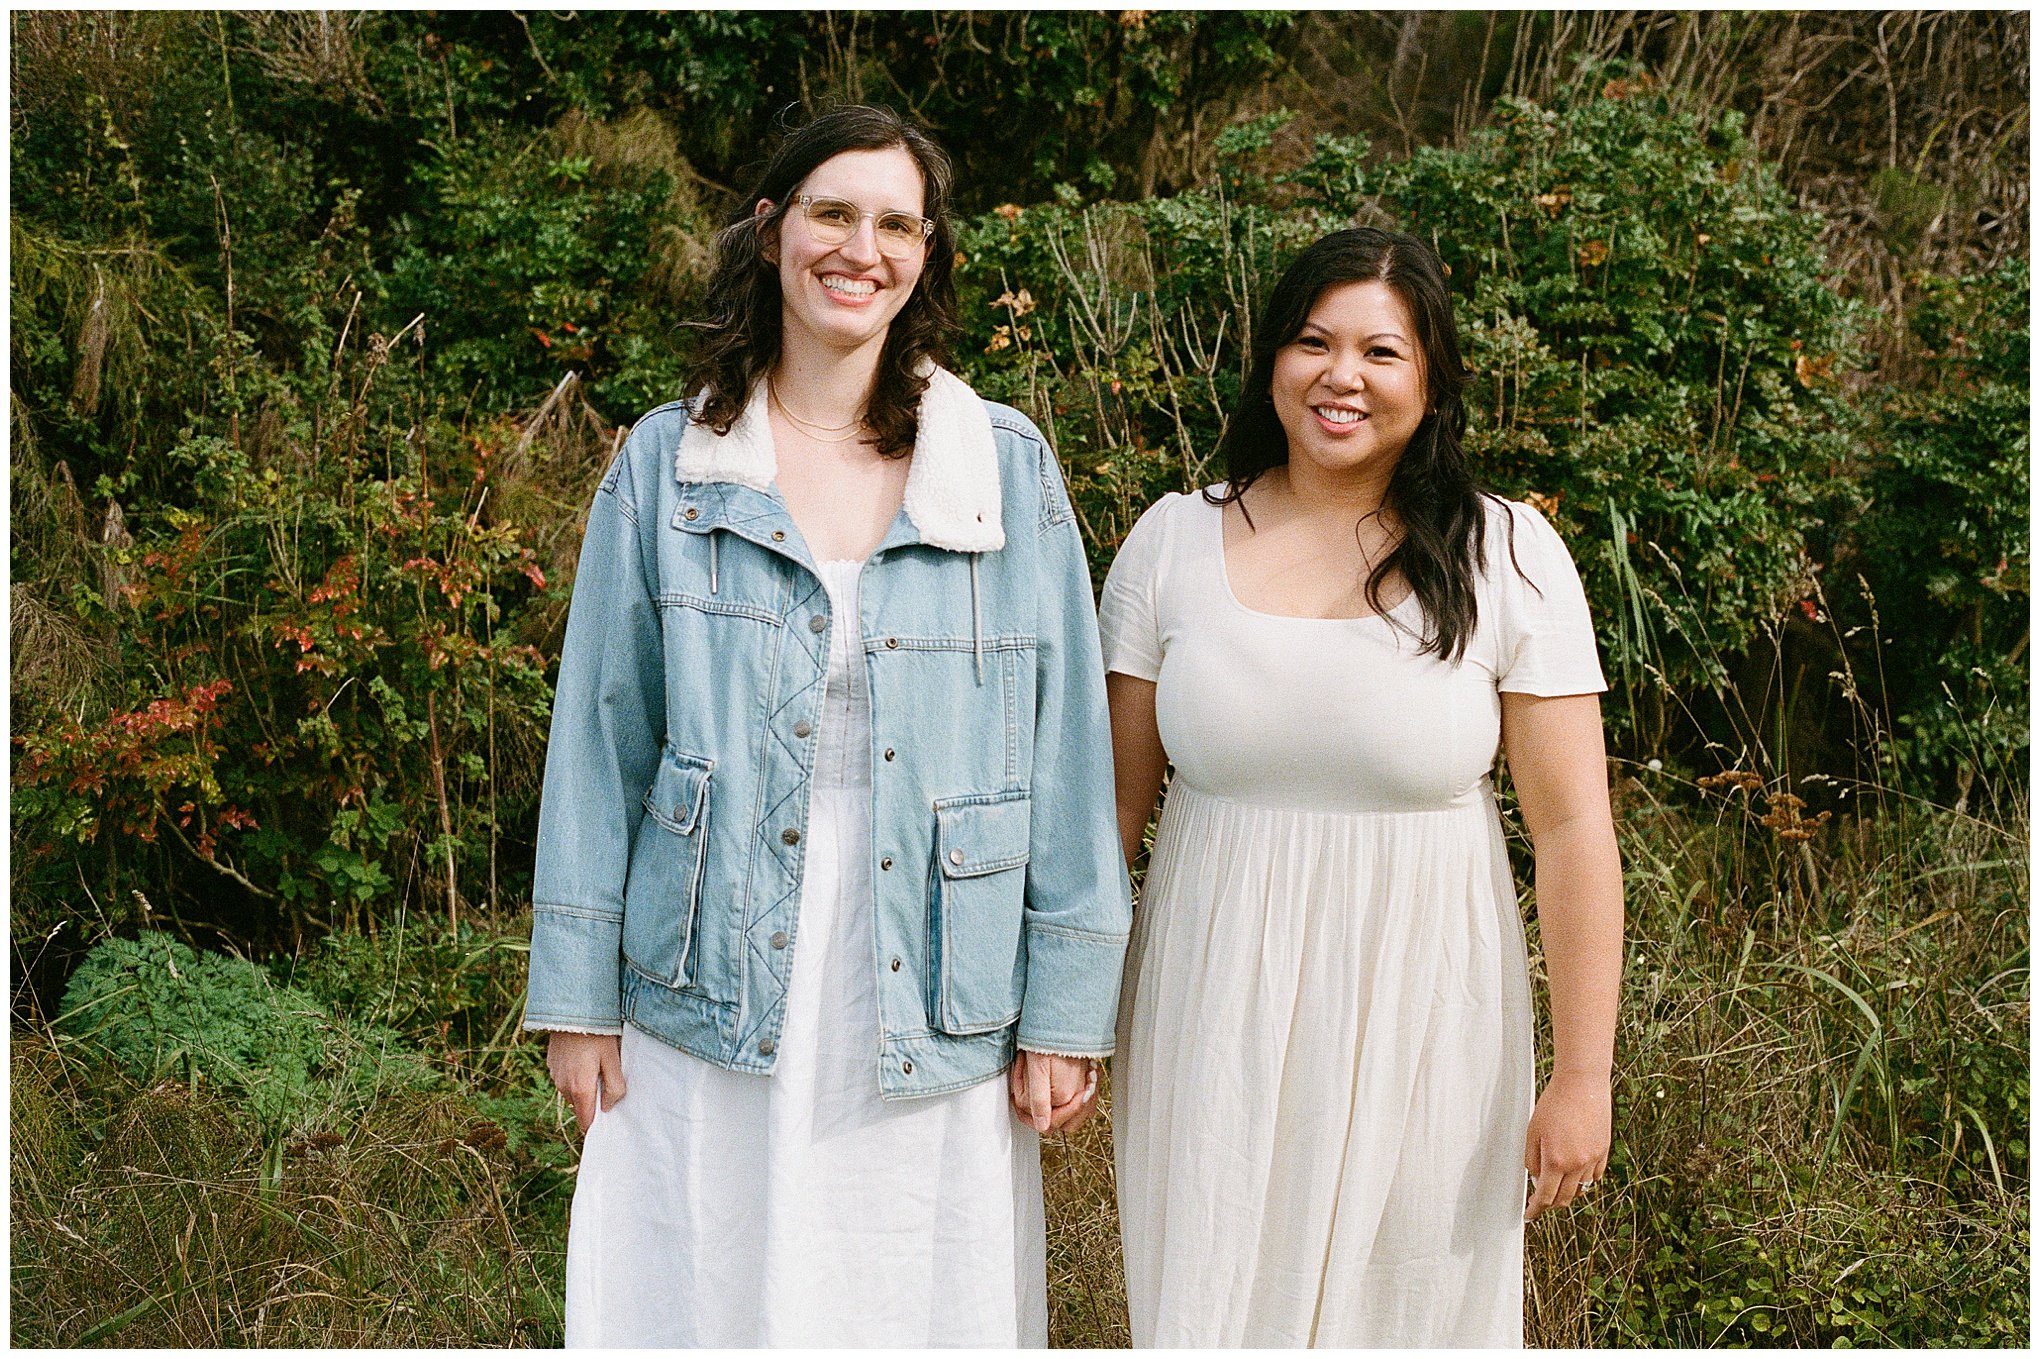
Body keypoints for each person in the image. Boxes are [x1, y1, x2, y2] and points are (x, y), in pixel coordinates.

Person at [522, 104, 1130, 1348]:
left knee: (911, 1288)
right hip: (709, 952)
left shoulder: (1003, 467)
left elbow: (1064, 751)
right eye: (833, 213)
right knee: (705, 1274)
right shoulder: (670, 464)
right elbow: (599, 735)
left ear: (926, 254)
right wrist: (575, 996)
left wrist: (1066, 1006)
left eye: (896, 222)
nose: (863, 248)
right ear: (771, 230)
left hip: (932, 958)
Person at [1100, 227, 1624, 1347]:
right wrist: (1064, 1022)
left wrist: (1585, 1080)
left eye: (1382, 352)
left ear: (1431, 384)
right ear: (1272, 363)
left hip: (1435, 1016)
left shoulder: (1509, 556)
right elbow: (1109, 818)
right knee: (1208, 1310)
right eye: (1312, 342)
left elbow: (1576, 830)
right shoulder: (1169, 543)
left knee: (1415, 1315)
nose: (1342, 376)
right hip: (1208, 1014)